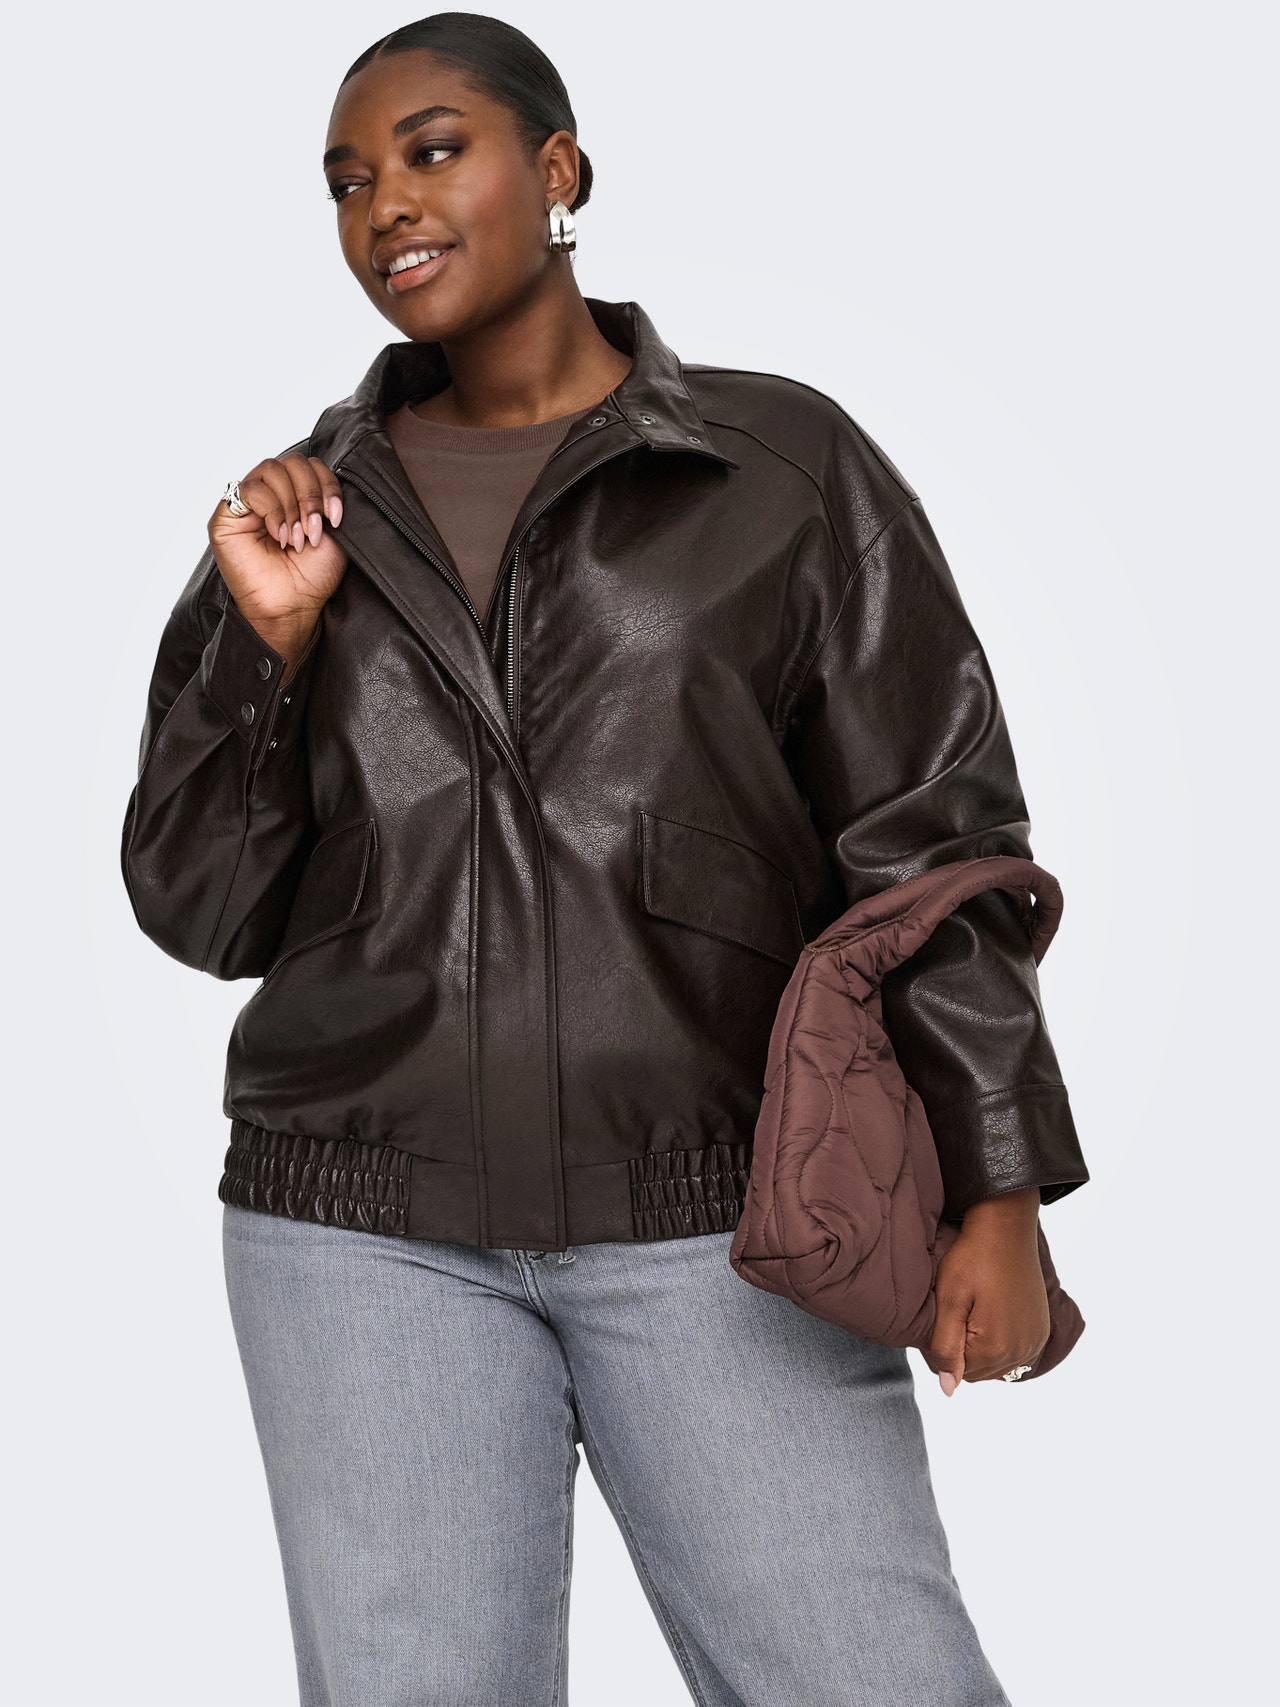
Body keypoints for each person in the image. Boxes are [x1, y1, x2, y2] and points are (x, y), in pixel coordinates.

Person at [120, 13, 1090, 1704]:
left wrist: (998, 1184)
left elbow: (933, 845)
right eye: (346, 181)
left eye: (432, 150)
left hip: (722, 1215)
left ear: (558, 168)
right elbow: (200, 908)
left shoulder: (777, 469)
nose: (383, 206)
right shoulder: (303, 517)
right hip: (360, 1232)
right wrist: (264, 654)